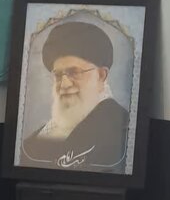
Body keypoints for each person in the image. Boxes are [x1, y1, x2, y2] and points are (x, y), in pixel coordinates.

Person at [20, 17, 129, 171]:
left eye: (74, 72)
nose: (64, 84)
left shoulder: (122, 128)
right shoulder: (34, 140)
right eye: (58, 75)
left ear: (101, 76)